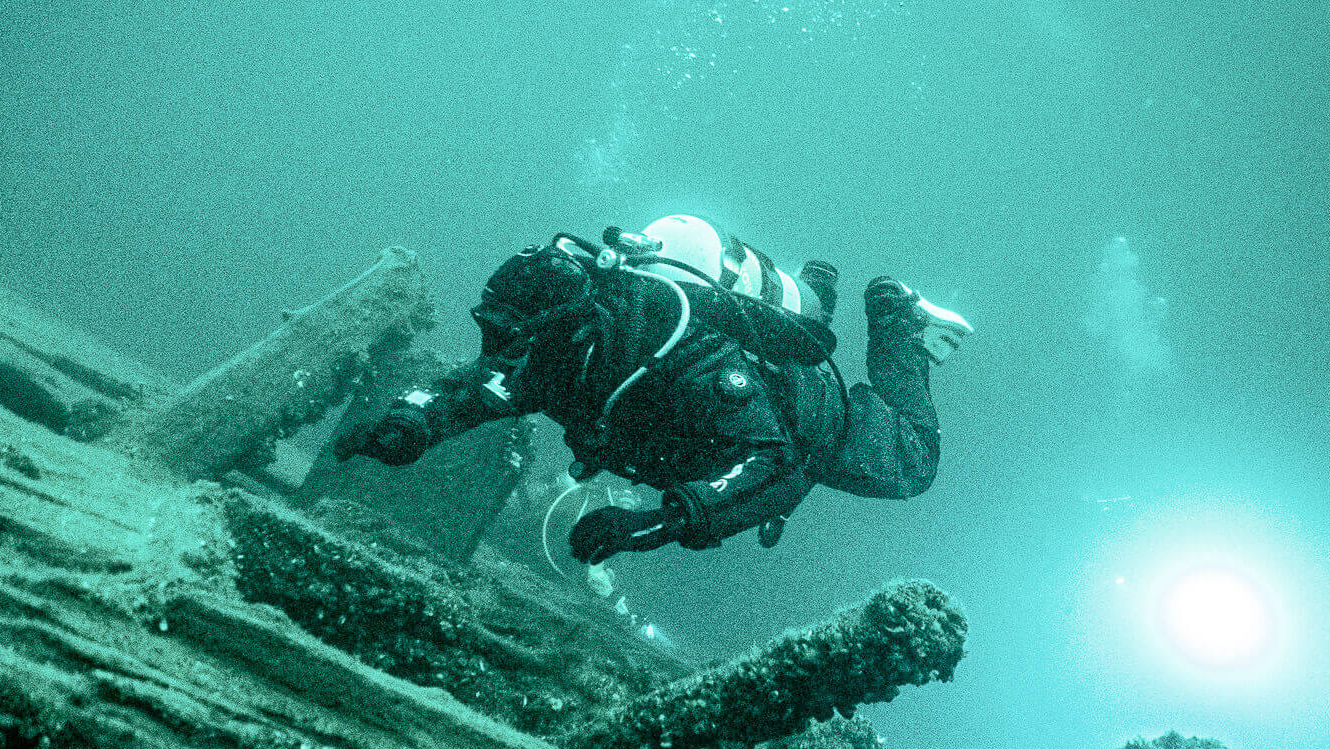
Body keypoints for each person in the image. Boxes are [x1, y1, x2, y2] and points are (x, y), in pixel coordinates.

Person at [332, 215, 973, 566]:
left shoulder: (679, 350)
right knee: (802, 327)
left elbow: (772, 464)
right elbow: (486, 385)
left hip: (811, 417)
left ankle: (897, 326)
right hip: (718, 408)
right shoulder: (556, 348)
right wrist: (412, 422)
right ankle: (814, 292)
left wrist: (650, 525)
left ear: (577, 328)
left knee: (914, 464)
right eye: (504, 341)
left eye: (524, 345)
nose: (514, 361)